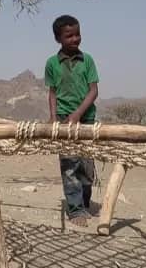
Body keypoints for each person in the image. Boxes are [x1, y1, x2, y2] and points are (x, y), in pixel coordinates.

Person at [44, 14, 100, 227]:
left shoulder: (88, 60)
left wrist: (78, 115)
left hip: (86, 121)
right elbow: (52, 93)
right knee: (69, 165)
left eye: (77, 34)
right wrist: (52, 118)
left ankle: (84, 203)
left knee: (86, 167)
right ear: (58, 39)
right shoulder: (52, 63)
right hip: (64, 122)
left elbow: (93, 91)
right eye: (69, 36)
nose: (75, 39)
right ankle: (75, 209)